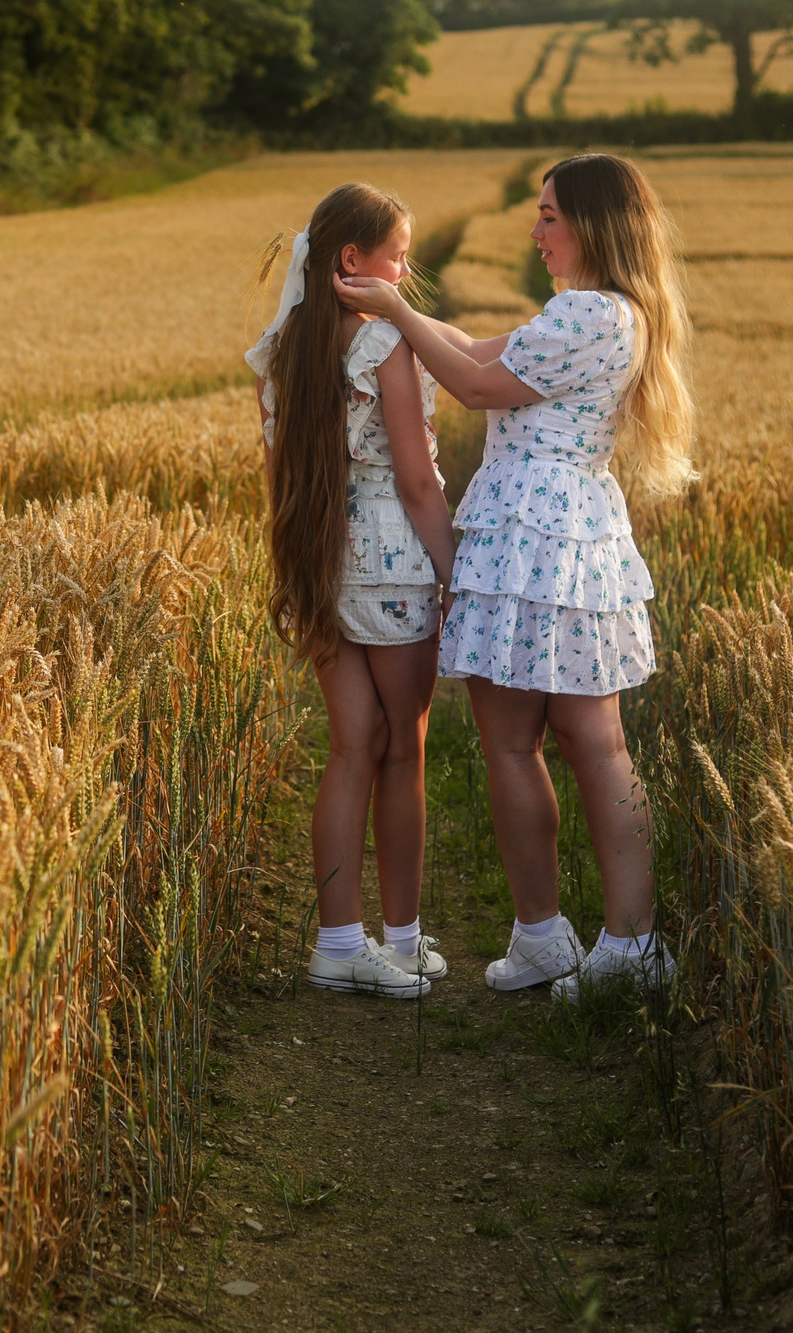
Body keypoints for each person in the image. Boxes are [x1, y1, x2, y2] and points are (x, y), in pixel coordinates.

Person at [334, 153, 695, 1000]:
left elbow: (467, 382)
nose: (535, 231)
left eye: (549, 216)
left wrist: (391, 306)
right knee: (560, 741)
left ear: (596, 226)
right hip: (555, 537)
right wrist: (399, 318)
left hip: (538, 541)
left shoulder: (592, 316)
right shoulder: (593, 315)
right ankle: (563, 940)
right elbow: (472, 347)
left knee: (565, 742)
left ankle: (619, 946)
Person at [247, 182, 457, 998]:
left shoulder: (277, 355)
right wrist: (454, 572)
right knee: (402, 749)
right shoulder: (382, 348)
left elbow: (278, 484)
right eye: (398, 255)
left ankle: (338, 942)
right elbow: (416, 479)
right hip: (394, 569)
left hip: (316, 567)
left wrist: (296, 574)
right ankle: (400, 940)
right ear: (351, 261)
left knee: (348, 748)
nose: (405, 272)